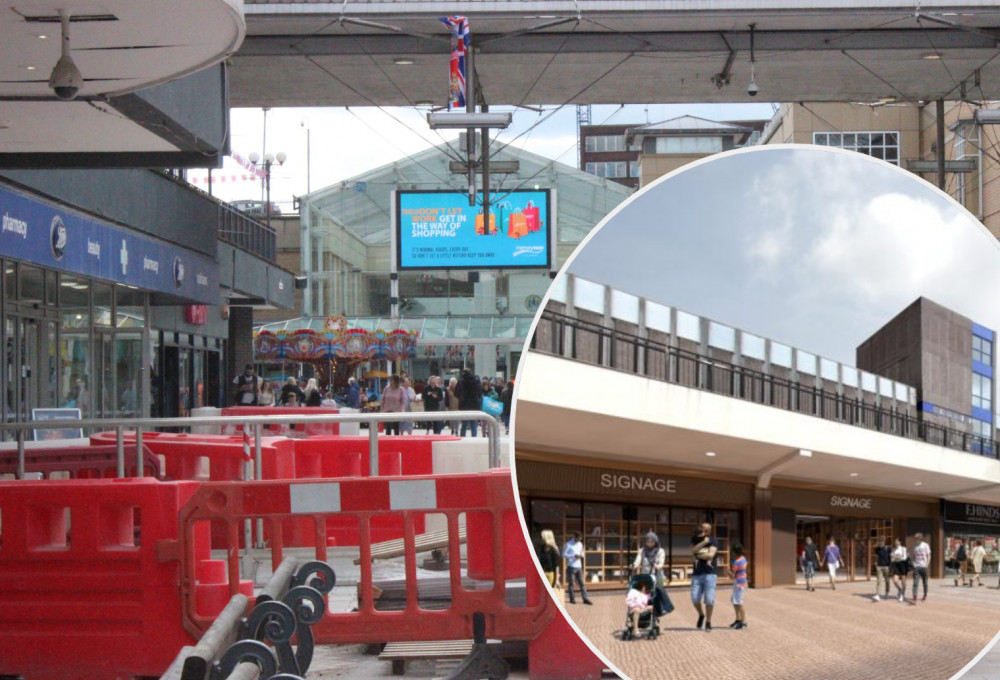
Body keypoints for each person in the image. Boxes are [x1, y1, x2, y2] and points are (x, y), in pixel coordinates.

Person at [690, 522, 718, 632]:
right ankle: (701, 615)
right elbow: (692, 550)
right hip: (697, 574)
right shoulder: (694, 539)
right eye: (702, 529)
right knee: (695, 599)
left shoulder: (713, 540)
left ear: (709, 531)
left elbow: (710, 555)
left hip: (710, 574)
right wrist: (703, 544)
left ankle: (708, 622)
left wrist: (697, 554)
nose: (704, 531)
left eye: (706, 530)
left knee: (709, 600)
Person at [561, 533, 593, 605]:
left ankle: (585, 599)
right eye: (578, 538)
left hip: (579, 567)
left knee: (582, 583)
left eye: (580, 539)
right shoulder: (568, 544)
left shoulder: (580, 544)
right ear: (574, 537)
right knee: (571, 584)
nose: (579, 540)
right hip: (571, 566)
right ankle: (572, 599)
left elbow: (582, 552)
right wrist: (573, 555)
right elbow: (563, 555)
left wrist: (581, 555)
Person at [456, 369, 483, 437]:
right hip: (474, 405)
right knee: (473, 423)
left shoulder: (461, 382)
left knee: (464, 423)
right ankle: (474, 437)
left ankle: (462, 436)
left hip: (464, 405)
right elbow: (480, 393)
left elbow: (456, 393)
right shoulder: (476, 382)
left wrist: (461, 397)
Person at [728, 542, 748, 630]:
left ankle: (744, 622)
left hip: (738, 583)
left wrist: (727, 571)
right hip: (742, 582)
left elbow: (732, 575)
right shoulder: (744, 558)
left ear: (734, 552)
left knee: (739, 603)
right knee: (735, 601)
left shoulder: (736, 562)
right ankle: (738, 619)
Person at [911, 532, 931, 602]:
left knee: (925, 582)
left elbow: (928, 555)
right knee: (915, 582)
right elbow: (913, 556)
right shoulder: (914, 547)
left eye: (916, 538)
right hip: (917, 567)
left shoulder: (925, 545)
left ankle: (925, 595)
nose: (915, 539)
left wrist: (926, 565)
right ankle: (914, 596)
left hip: (924, 567)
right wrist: (913, 564)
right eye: (915, 538)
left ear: (920, 538)